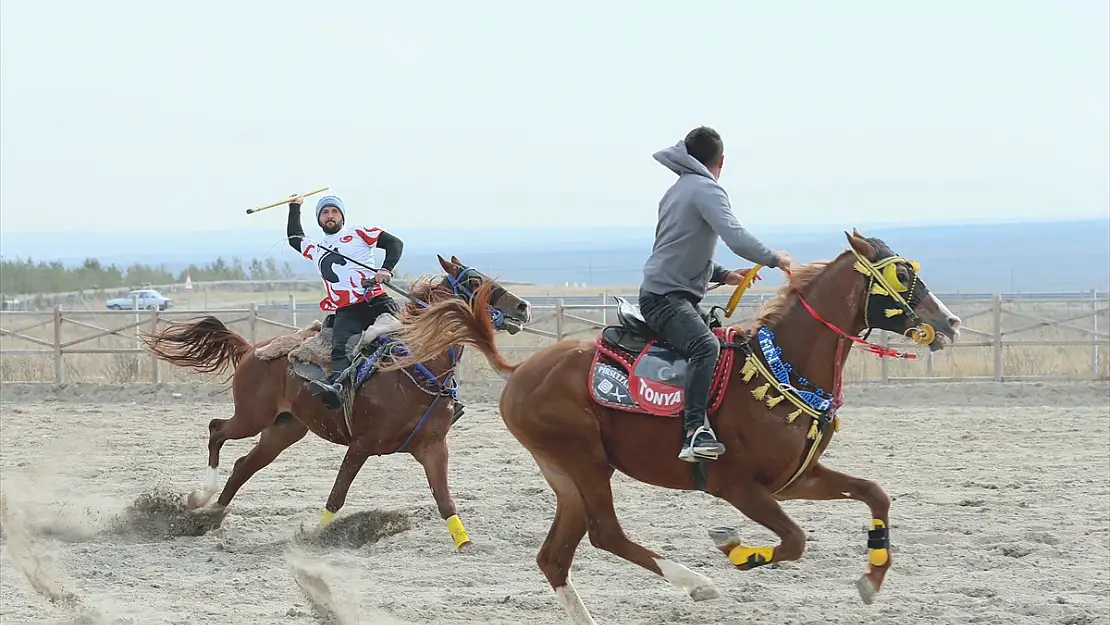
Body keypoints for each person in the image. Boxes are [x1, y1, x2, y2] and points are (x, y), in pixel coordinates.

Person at [639, 126, 793, 463]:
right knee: (705, 346)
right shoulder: (707, 190)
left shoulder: (678, 190)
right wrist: (774, 257)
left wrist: (723, 274)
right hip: (667, 299)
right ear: (721, 160)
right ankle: (694, 431)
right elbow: (736, 238)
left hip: (662, 292)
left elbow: (680, 249)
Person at [286, 194, 405, 408]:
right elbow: (294, 238)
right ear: (319, 219)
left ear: (342, 216)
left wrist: (385, 268)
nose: (330, 216)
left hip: (376, 300)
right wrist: (295, 207)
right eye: (324, 212)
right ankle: (337, 391)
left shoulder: (358, 233)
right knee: (340, 351)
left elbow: (394, 243)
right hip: (346, 310)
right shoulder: (316, 248)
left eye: (334, 212)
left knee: (407, 340)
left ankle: (440, 392)